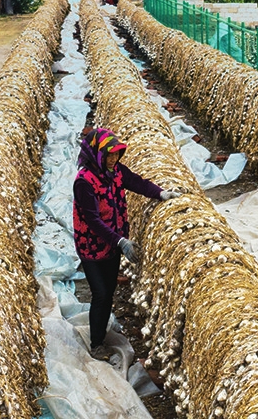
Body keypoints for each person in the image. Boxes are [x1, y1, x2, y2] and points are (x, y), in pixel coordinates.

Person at [73, 128, 180, 360]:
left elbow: (136, 182)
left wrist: (161, 194)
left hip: (113, 244)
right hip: (91, 247)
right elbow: (93, 220)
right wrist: (121, 242)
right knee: (100, 293)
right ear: (97, 155)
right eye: (109, 155)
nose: (114, 159)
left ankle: (101, 329)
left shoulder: (116, 172)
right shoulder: (84, 182)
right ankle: (96, 344)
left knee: (109, 291)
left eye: (116, 154)